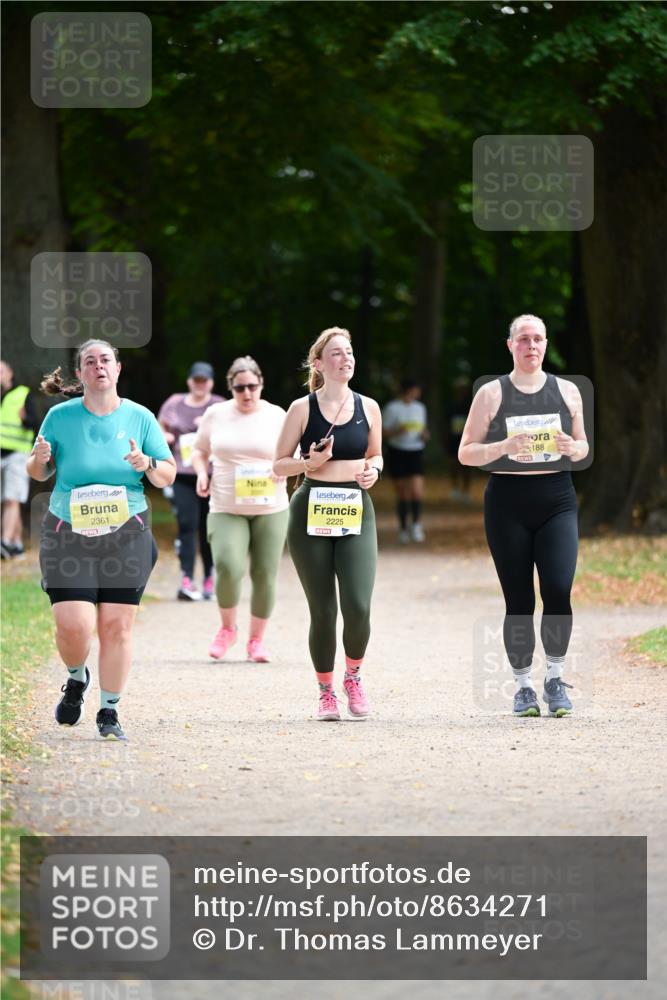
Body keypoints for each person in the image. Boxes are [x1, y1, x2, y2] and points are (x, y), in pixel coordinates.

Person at [26, 340, 175, 741]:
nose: (98, 367)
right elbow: (38, 472)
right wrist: (40, 458)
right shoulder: (59, 417)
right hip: (67, 532)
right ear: (80, 374)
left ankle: (109, 711)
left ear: (118, 369)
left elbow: (168, 474)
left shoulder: (140, 417)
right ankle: (77, 678)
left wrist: (147, 464)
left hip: (126, 532)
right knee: (73, 625)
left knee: (116, 626)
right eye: (89, 362)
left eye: (105, 360)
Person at [458, 314, 589, 718]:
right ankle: (523, 687)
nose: (531, 346)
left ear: (546, 344)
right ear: (510, 345)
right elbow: (466, 452)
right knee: (518, 599)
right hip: (507, 503)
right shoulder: (492, 393)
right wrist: (503, 446)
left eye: (538, 339)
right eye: (523, 339)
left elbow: (583, 447)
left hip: (557, 500)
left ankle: (554, 678)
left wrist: (573, 446)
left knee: (558, 588)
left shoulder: (568, 391)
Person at [274, 326, 383, 721]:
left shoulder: (369, 406)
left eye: (349, 351)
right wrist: (308, 464)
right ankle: (325, 693)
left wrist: (373, 470)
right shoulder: (301, 409)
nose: (345, 358)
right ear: (319, 364)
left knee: (358, 605)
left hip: (356, 506)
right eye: (335, 353)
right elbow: (278, 465)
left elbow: (376, 455)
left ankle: (353, 678)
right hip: (311, 506)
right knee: (323, 610)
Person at [191, 356, 288, 663]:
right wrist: (202, 473)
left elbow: (294, 454)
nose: (247, 393)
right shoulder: (216, 413)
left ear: (261, 384)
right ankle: (227, 628)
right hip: (225, 504)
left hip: (270, 506)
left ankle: (256, 640)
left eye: (252, 387)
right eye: (239, 388)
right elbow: (198, 449)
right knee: (229, 566)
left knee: (264, 573)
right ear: (230, 388)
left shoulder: (277, 415)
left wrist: (283, 470)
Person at [157, 362, 224, 600]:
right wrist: (164, 437)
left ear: (211, 382)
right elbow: (159, 428)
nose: (200, 384)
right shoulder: (174, 403)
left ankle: (208, 577)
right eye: (196, 380)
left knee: (209, 528)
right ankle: (186, 578)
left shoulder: (219, 405)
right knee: (186, 525)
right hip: (183, 475)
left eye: (204, 380)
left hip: (213, 475)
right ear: (189, 382)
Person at [1, 360, 40, 559]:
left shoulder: (23, 394)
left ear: (10, 372)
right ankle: (15, 545)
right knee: (9, 500)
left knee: (11, 499)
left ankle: (5, 542)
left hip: (18, 454)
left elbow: (35, 422)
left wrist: (25, 419)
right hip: (2, 453)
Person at [382, 378, 429, 543]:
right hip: (397, 452)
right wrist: (397, 431)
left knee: (417, 491)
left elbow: (423, 429)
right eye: (416, 389)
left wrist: (425, 435)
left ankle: (416, 525)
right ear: (407, 390)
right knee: (402, 493)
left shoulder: (420, 408)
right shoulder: (392, 408)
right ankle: (403, 528)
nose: (418, 393)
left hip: (416, 451)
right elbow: (383, 432)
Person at [446, 377, 473, 503]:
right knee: (453, 465)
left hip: (467, 439)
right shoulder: (451, 405)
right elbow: (446, 423)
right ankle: (455, 489)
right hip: (453, 439)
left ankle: (466, 491)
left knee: (466, 466)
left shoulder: (471, 405)